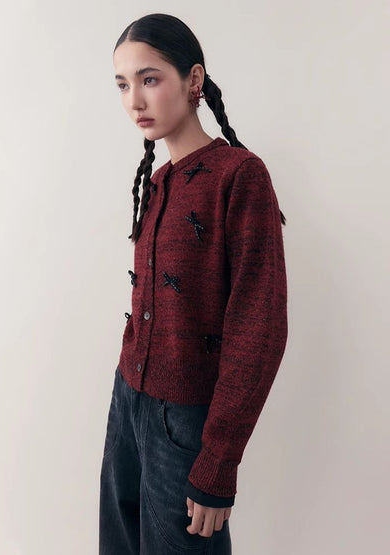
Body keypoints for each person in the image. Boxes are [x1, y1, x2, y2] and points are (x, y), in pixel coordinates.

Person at [99, 12, 288, 555]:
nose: (134, 100)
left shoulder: (240, 175)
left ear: (194, 80)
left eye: (149, 79)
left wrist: (218, 462)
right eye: (123, 84)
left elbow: (259, 327)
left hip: (185, 422)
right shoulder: (158, 181)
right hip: (127, 402)